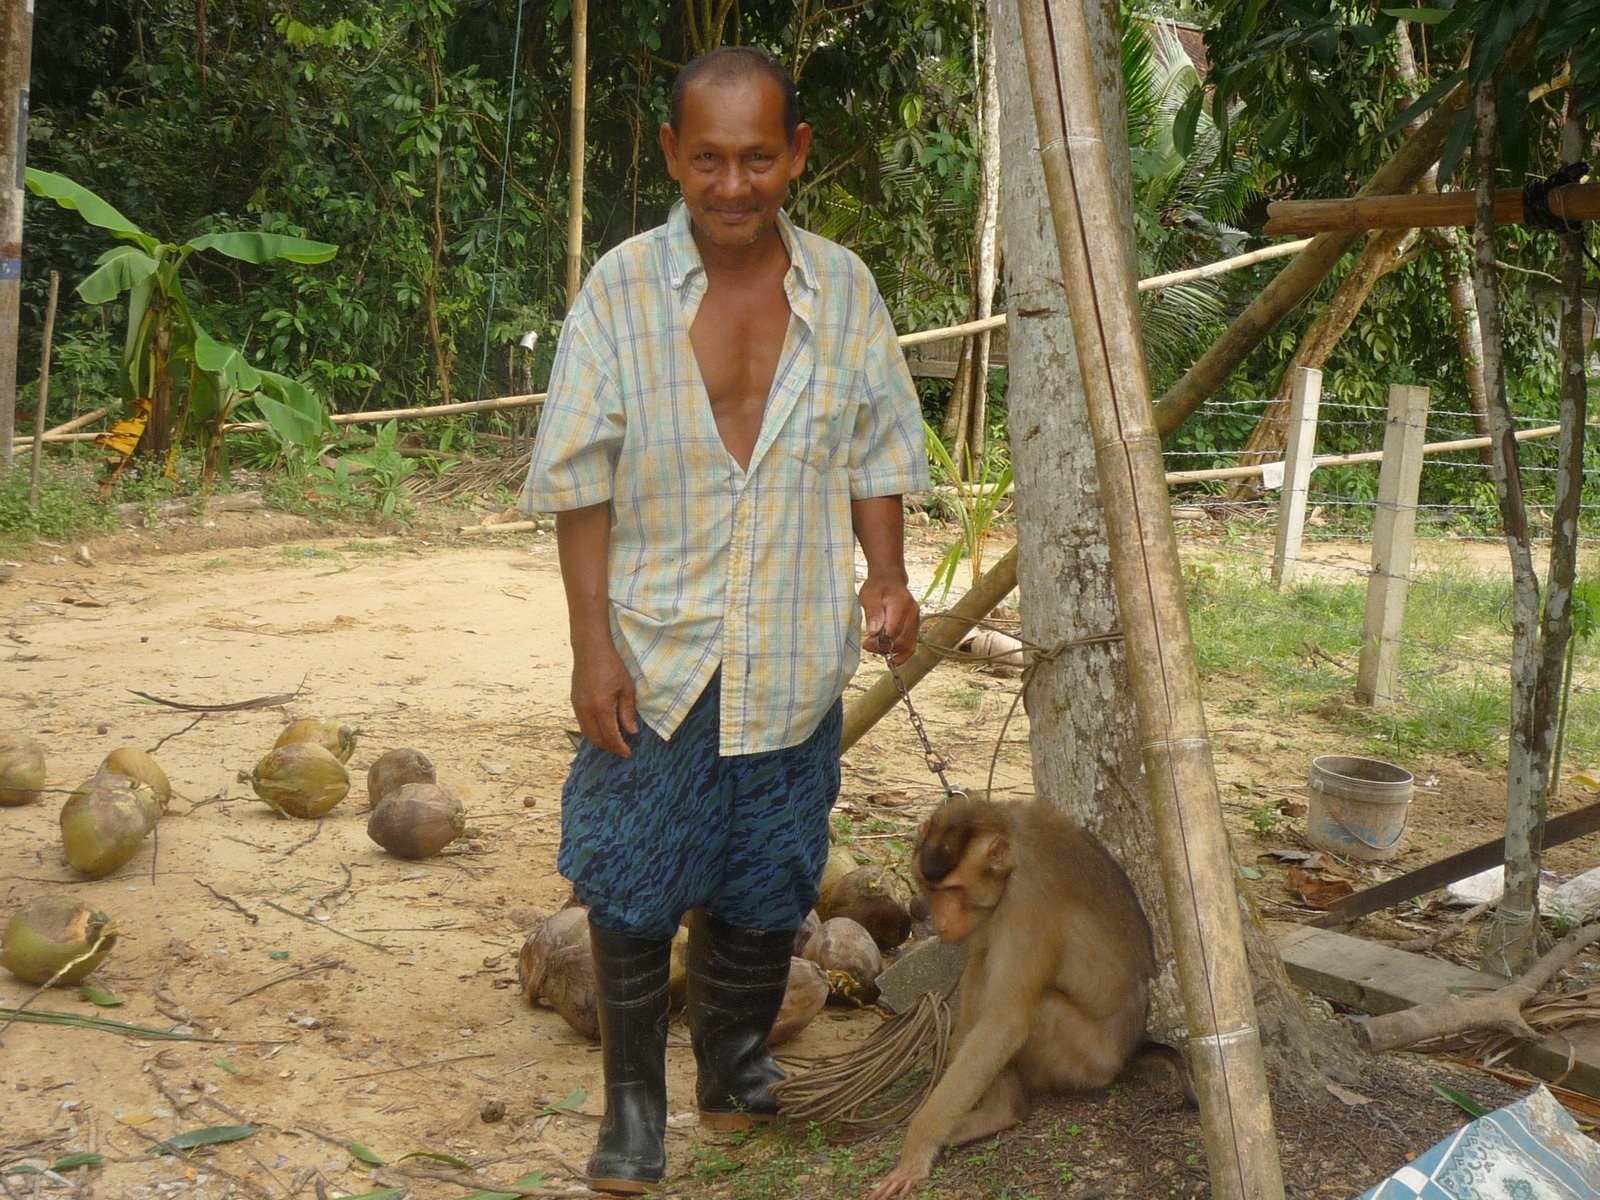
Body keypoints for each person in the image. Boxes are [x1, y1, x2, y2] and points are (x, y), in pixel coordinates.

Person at [520, 45, 927, 1195]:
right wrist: (590, 647)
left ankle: (735, 1062)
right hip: (659, 654)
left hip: (794, 650)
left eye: (758, 158)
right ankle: (635, 1109)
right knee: (634, 878)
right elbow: (578, 483)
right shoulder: (620, 290)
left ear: (796, 155)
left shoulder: (843, 290)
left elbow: (877, 450)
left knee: (769, 874)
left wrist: (885, 575)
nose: (733, 185)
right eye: (710, 159)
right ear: (671, 157)